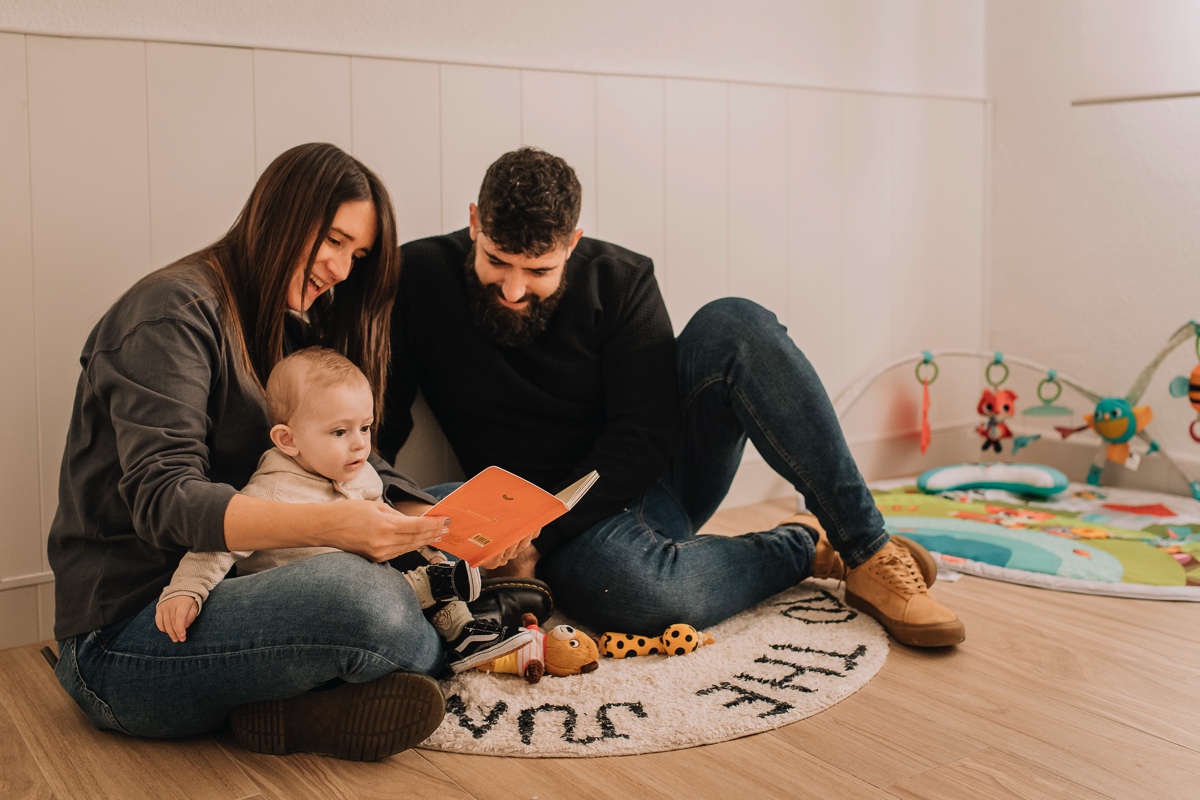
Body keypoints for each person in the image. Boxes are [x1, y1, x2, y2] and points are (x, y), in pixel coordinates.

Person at [46, 143, 523, 762]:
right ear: (279, 212)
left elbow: (346, 462)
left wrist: (429, 521)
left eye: (357, 255)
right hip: (135, 633)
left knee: (449, 504)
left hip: (258, 576)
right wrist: (339, 525)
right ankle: (465, 629)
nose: (341, 270)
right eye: (332, 240)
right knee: (365, 601)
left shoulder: (288, 321)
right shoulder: (169, 315)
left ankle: (302, 701)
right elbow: (165, 499)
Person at [380, 147, 965, 648]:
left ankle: (866, 549)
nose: (512, 288)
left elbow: (643, 437)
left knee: (736, 324)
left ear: (573, 243)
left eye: (538, 271)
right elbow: (378, 419)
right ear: (475, 221)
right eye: (497, 262)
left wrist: (544, 534)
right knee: (630, 593)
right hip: (554, 526)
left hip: (643, 484)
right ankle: (801, 549)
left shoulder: (621, 278)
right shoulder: (417, 277)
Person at [154, 346, 533, 672]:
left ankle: (461, 629)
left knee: (436, 520)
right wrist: (186, 590)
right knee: (385, 588)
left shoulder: (362, 473)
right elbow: (220, 542)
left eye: (365, 428)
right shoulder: (270, 489)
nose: (359, 445)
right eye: (340, 432)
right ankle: (429, 637)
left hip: (381, 573)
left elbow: (388, 522)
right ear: (288, 440)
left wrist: (448, 538)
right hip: (318, 602)